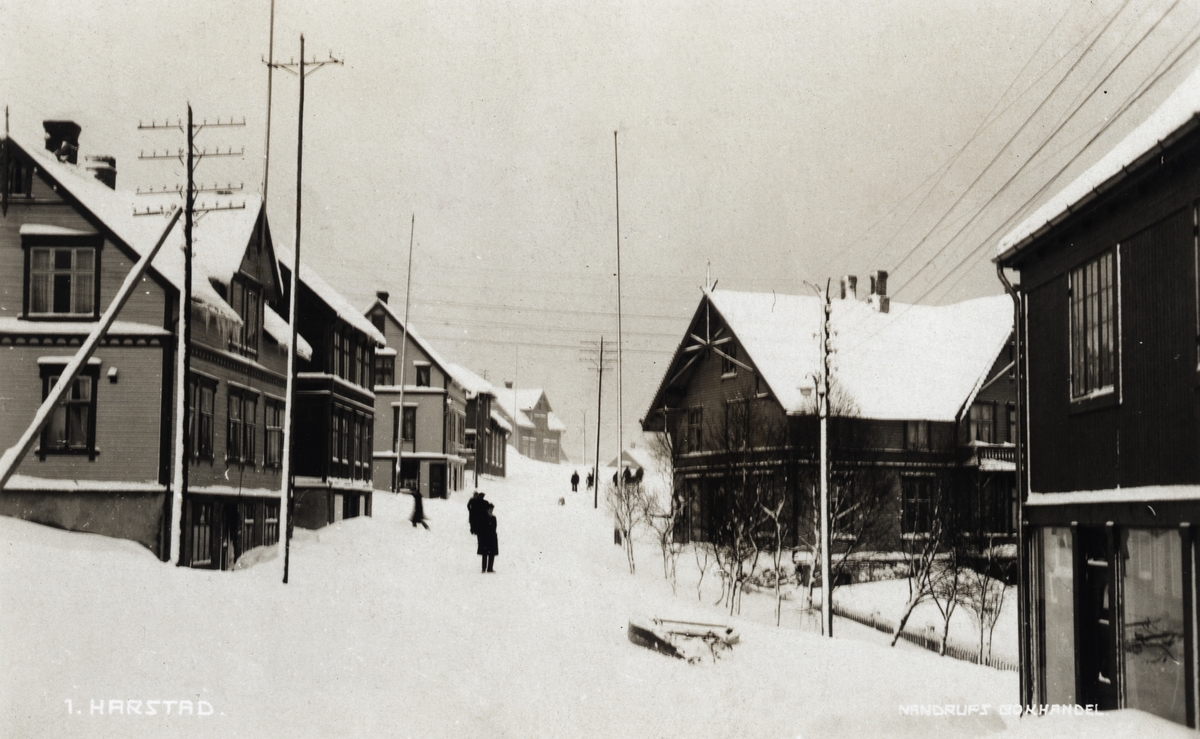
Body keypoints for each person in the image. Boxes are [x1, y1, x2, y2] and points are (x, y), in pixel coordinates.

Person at [477, 502, 498, 573]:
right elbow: (480, 528)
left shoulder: (494, 518)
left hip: (492, 537)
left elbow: (495, 527)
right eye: (489, 509)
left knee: (492, 553)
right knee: (485, 553)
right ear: (487, 510)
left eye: (492, 509)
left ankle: (490, 568)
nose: (491, 511)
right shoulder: (483, 518)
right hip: (485, 537)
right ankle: (484, 568)